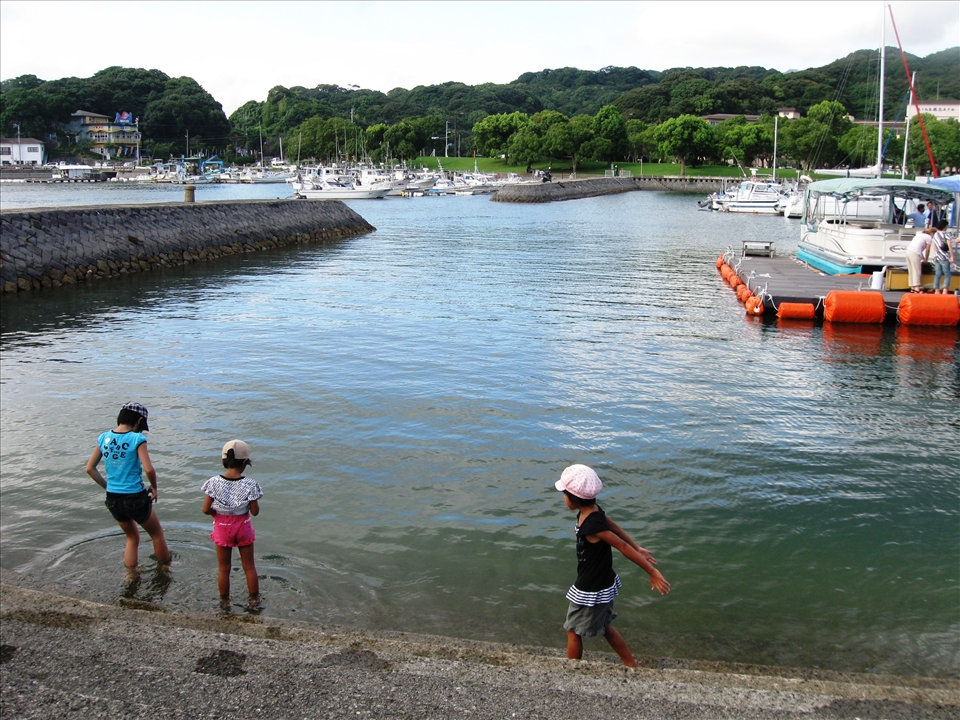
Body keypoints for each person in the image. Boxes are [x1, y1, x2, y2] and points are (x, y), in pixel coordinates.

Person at [556, 464, 670, 668]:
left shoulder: (592, 524)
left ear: (573, 498)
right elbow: (615, 528)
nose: (564, 499)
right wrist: (639, 547)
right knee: (605, 626)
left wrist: (651, 570)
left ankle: (571, 673)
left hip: (591, 586)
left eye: (564, 494)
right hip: (602, 581)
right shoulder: (595, 512)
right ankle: (630, 664)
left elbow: (622, 546)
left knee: (572, 630)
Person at [86, 402, 171, 569]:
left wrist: (107, 487)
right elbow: (148, 468)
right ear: (139, 420)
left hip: (113, 499)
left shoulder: (103, 437)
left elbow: (90, 468)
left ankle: (130, 575)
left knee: (132, 538)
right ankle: (165, 568)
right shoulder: (137, 438)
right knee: (157, 534)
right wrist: (154, 487)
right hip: (135, 497)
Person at [202, 440, 263, 607]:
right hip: (243, 527)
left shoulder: (214, 482)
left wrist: (217, 514)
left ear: (224, 460)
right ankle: (254, 600)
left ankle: (224, 601)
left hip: (222, 528)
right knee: (249, 567)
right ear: (245, 462)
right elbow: (255, 512)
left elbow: (205, 509)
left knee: (224, 568)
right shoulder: (250, 484)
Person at [905, 227, 933, 293]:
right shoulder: (929, 237)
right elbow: (927, 250)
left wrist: (923, 258)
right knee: (917, 270)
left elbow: (918, 248)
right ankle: (917, 288)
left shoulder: (919, 235)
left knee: (911, 270)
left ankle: (912, 287)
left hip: (908, 251)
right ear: (932, 233)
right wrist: (926, 259)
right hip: (915, 253)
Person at [929, 220, 954, 294]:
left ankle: (936, 290)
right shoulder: (946, 234)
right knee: (948, 274)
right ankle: (945, 290)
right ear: (945, 226)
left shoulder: (935, 234)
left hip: (937, 257)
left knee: (938, 274)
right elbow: (950, 246)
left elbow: (935, 247)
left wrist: (936, 254)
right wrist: (952, 256)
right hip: (944, 257)